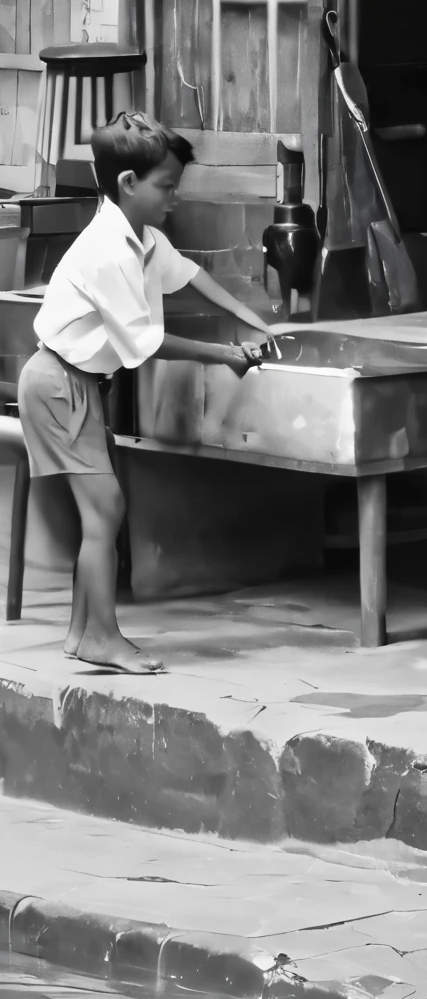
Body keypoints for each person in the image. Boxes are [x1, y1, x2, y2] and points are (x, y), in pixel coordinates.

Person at [21, 112, 272, 676]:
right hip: (58, 382)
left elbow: (189, 276)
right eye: (166, 185)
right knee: (105, 509)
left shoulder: (140, 238)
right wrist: (225, 355)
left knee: (101, 513)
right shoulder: (111, 250)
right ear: (128, 184)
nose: (174, 198)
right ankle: (103, 639)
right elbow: (144, 345)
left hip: (77, 383)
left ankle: (82, 633)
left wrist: (252, 321)